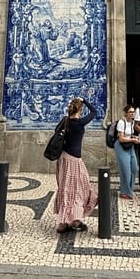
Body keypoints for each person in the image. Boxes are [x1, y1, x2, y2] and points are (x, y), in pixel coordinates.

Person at [54, 96, 98, 233]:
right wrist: (84, 99)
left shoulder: (65, 121)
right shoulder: (79, 123)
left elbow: (56, 132)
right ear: (80, 109)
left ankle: (63, 222)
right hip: (74, 160)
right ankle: (75, 220)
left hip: (63, 158)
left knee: (65, 187)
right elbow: (94, 112)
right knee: (81, 188)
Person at [114, 106, 140, 200]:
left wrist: (134, 137)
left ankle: (129, 189)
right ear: (126, 113)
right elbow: (121, 138)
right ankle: (125, 192)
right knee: (126, 170)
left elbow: (128, 134)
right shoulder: (121, 122)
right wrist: (133, 139)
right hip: (121, 146)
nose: (132, 113)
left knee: (134, 167)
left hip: (129, 145)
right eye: (130, 112)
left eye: (133, 112)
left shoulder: (132, 123)